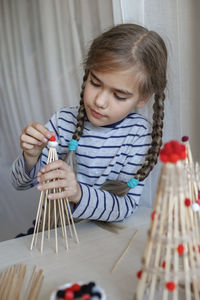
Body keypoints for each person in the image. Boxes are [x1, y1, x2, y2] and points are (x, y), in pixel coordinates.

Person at [11, 23, 167, 223]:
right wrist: (30, 157)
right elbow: (18, 184)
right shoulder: (63, 122)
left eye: (119, 95)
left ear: (143, 98)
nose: (99, 102)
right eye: (95, 83)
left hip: (101, 240)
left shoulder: (138, 135)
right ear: (88, 73)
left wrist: (77, 193)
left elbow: (125, 206)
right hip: (53, 232)